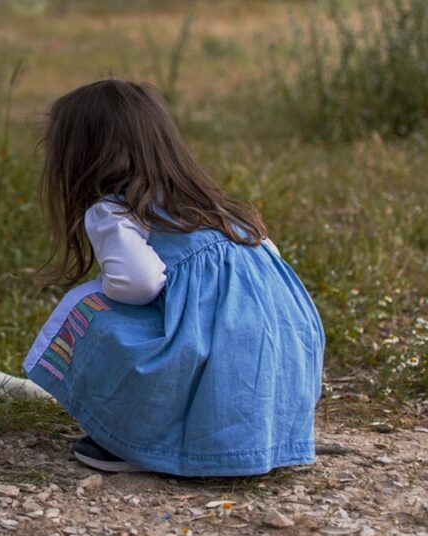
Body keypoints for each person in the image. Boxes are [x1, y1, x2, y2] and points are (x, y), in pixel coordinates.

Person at [23, 79, 324, 476]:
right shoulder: (217, 206)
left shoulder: (113, 211)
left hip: (215, 356)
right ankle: (255, 437)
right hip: (283, 357)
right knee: (211, 330)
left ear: (82, 157)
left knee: (88, 307)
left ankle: (137, 440)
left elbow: (139, 283)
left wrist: (106, 290)